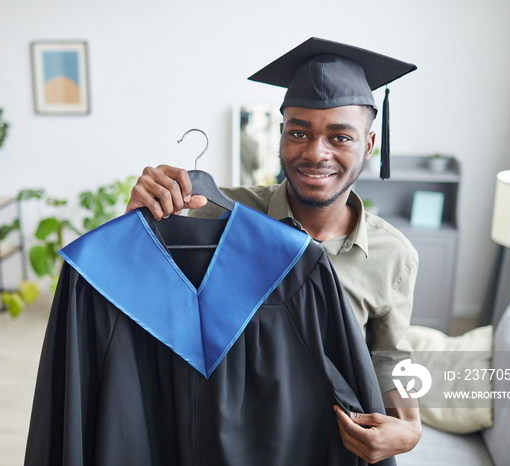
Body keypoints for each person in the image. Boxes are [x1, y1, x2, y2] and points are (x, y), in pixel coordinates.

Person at [126, 37, 422, 463]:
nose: (316, 152)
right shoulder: (215, 214)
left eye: (340, 137)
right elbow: (145, 294)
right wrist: (140, 218)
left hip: (324, 445)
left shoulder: (393, 254)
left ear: (369, 145)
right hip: (219, 440)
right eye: (298, 132)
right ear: (280, 137)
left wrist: (411, 428)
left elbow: (391, 355)